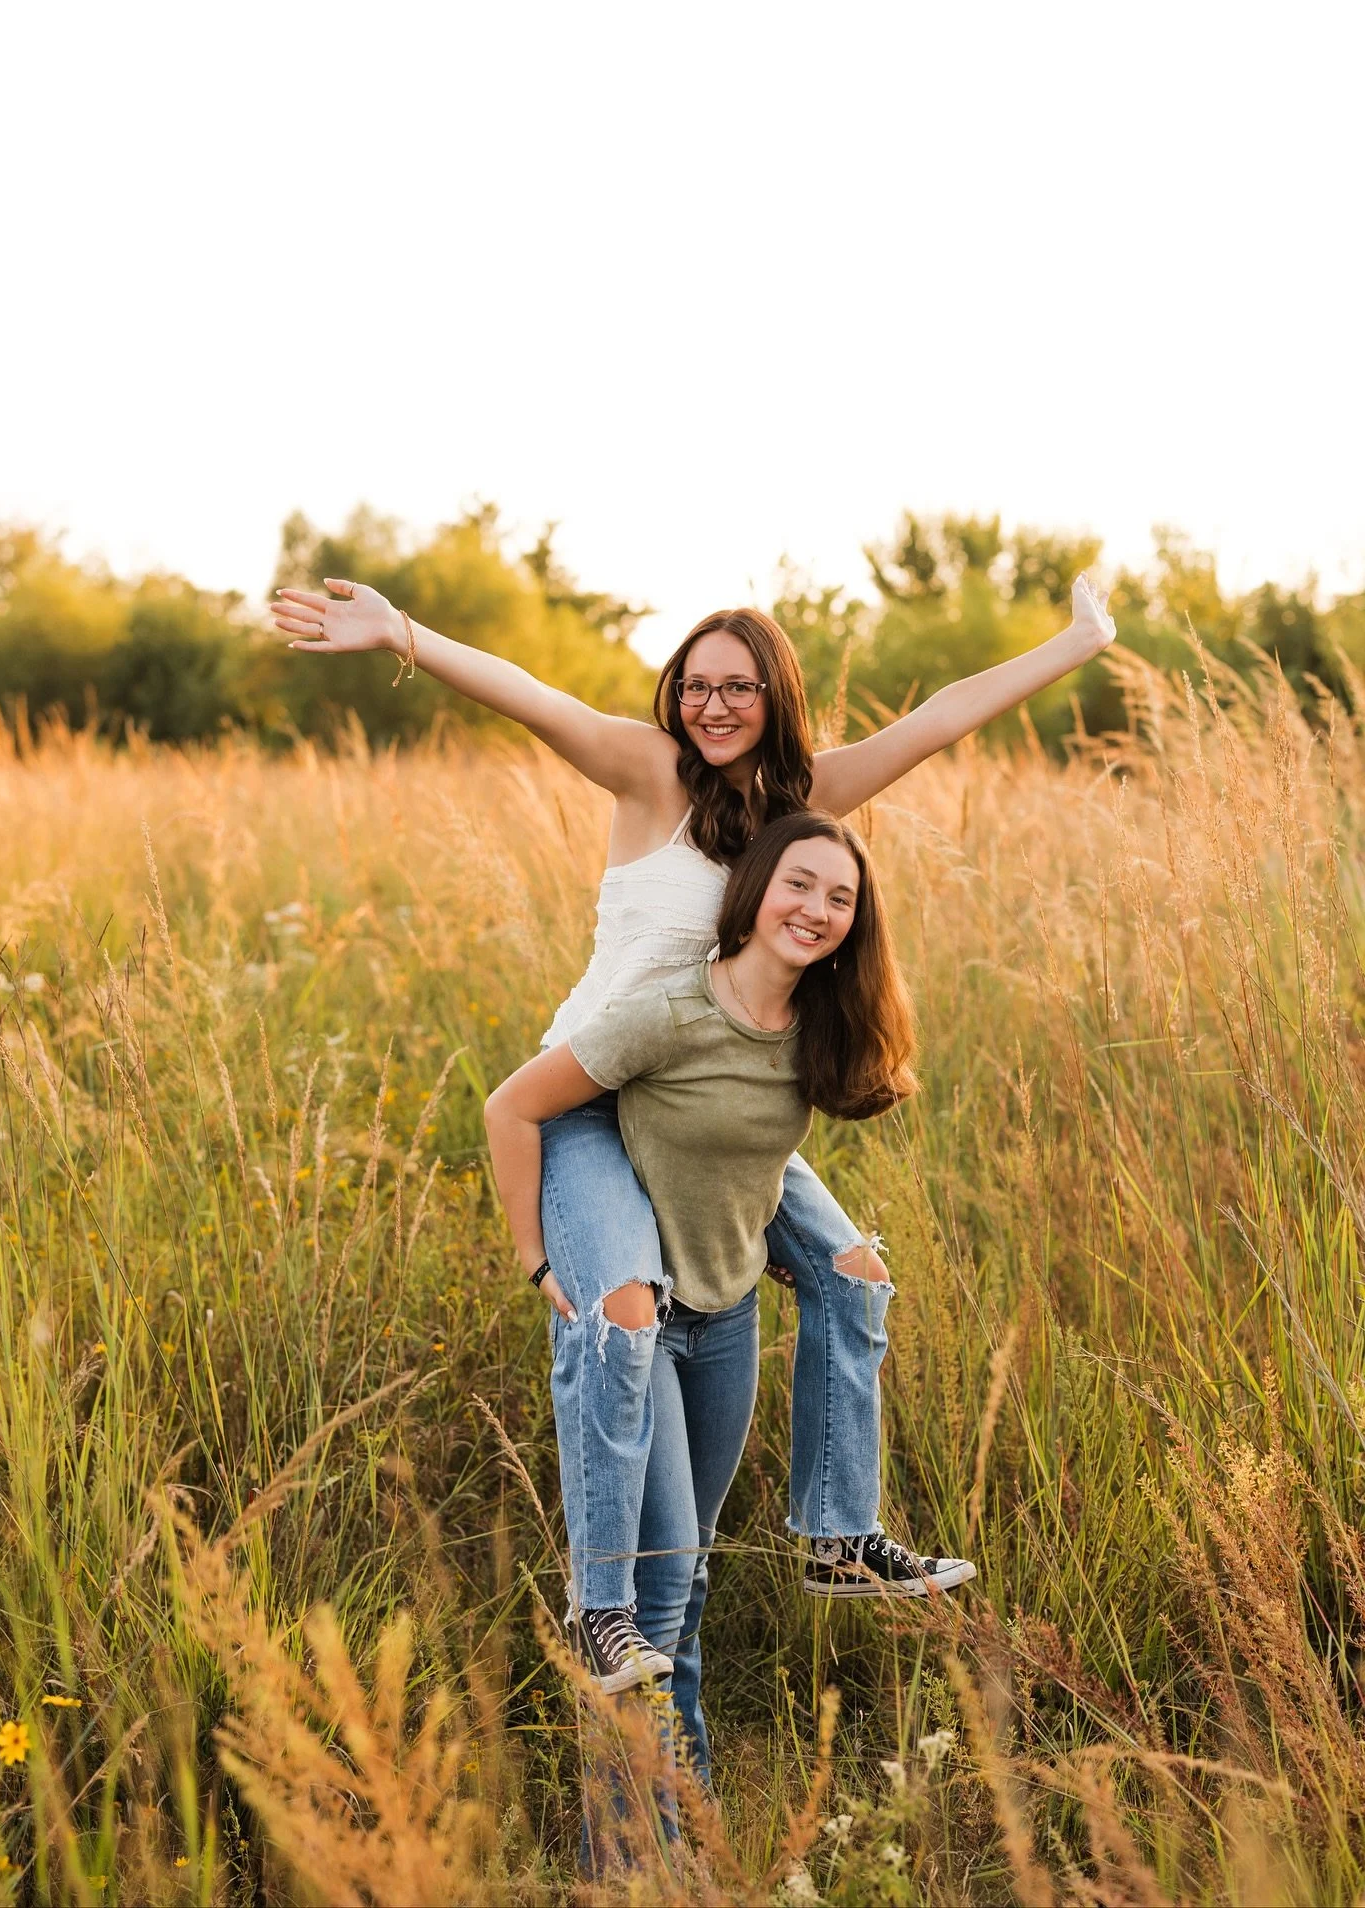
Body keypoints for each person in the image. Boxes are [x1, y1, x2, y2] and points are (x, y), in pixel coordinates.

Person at [270, 569, 1117, 1686]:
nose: (715, 707)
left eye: (741, 688)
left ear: (777, 698)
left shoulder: (804, 801)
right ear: (677, 694)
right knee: (620, 1309)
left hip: (713, 1098)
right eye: (698, 685)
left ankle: (834, 1534)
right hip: (599, 1097)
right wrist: (408, 636)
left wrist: (1081, 640)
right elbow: (537, 702)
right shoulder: (649, 771)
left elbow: (940, 717)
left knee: (856, 1272)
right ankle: (602, 1607)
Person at [483, 812, 969, 1788]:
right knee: (654, 1603)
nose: (817, 909)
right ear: (752, 894)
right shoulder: (667, 1011)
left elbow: (763, 1158)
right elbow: (513, 1105)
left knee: (690, 1587)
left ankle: (689, 1821)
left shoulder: (818, 1027)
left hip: (727, 1318)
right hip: (645, 1325)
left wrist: (806, 1248)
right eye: (800, 884)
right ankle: (635, 1863)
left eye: (841, 897)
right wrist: (540, 1260)